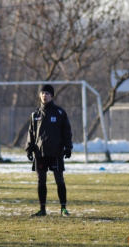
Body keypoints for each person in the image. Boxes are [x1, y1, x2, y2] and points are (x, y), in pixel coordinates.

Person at [25, 84, 73, 217]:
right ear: (40, 95)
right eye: (42, 93)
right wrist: (29, 148)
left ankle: (63, 208)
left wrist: (68, 147)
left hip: (56, 152)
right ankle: (42, 209)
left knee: (59, 180)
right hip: (40, 153)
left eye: (47, 93)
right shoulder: (35, 114)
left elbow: (67, 132)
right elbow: (31, 132)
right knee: (41, 180)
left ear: (52, 96)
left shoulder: (60, 112)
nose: (44, 96)